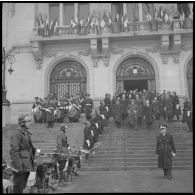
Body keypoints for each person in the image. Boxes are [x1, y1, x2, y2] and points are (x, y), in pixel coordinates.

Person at [9, 114, 36, 193]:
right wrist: (18, 166)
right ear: (22, 123)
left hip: (26, 164)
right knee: (18, 186)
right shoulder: (17, 134)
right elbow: (14, 151)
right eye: (28, 122)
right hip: (21, 165)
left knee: (22, 186)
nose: (30, 123)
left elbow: (27, 148)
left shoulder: (25, 133)